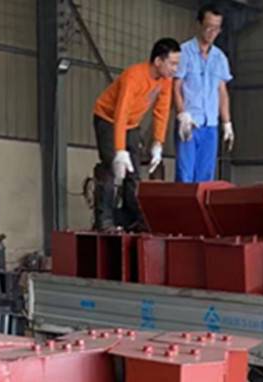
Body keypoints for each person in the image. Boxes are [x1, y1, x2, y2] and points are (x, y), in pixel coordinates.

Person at [92, 38, 181, 230]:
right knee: (111, 166)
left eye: (177, 64)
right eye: (172, 63)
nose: (175, 69)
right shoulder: (133, 77)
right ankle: (104, 220)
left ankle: (133, 217)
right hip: (108, 119)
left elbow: (162, 111)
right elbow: (121, 112)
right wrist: (119, 150)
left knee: (134, 172)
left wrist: (158, 143)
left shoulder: (166, 80)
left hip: (132, 123)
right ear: (158, 61)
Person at [174, 4, 234, 183]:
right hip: (190, 123)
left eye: (216, 28)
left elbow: (222, 92)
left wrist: (227, 123)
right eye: (208, 27)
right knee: (185, 174)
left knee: (206, 177)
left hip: (211, 126)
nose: (212, 32)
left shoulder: (220, 58)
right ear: (199, 24)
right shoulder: (184, 52)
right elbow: (176, 86)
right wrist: (182, 115)